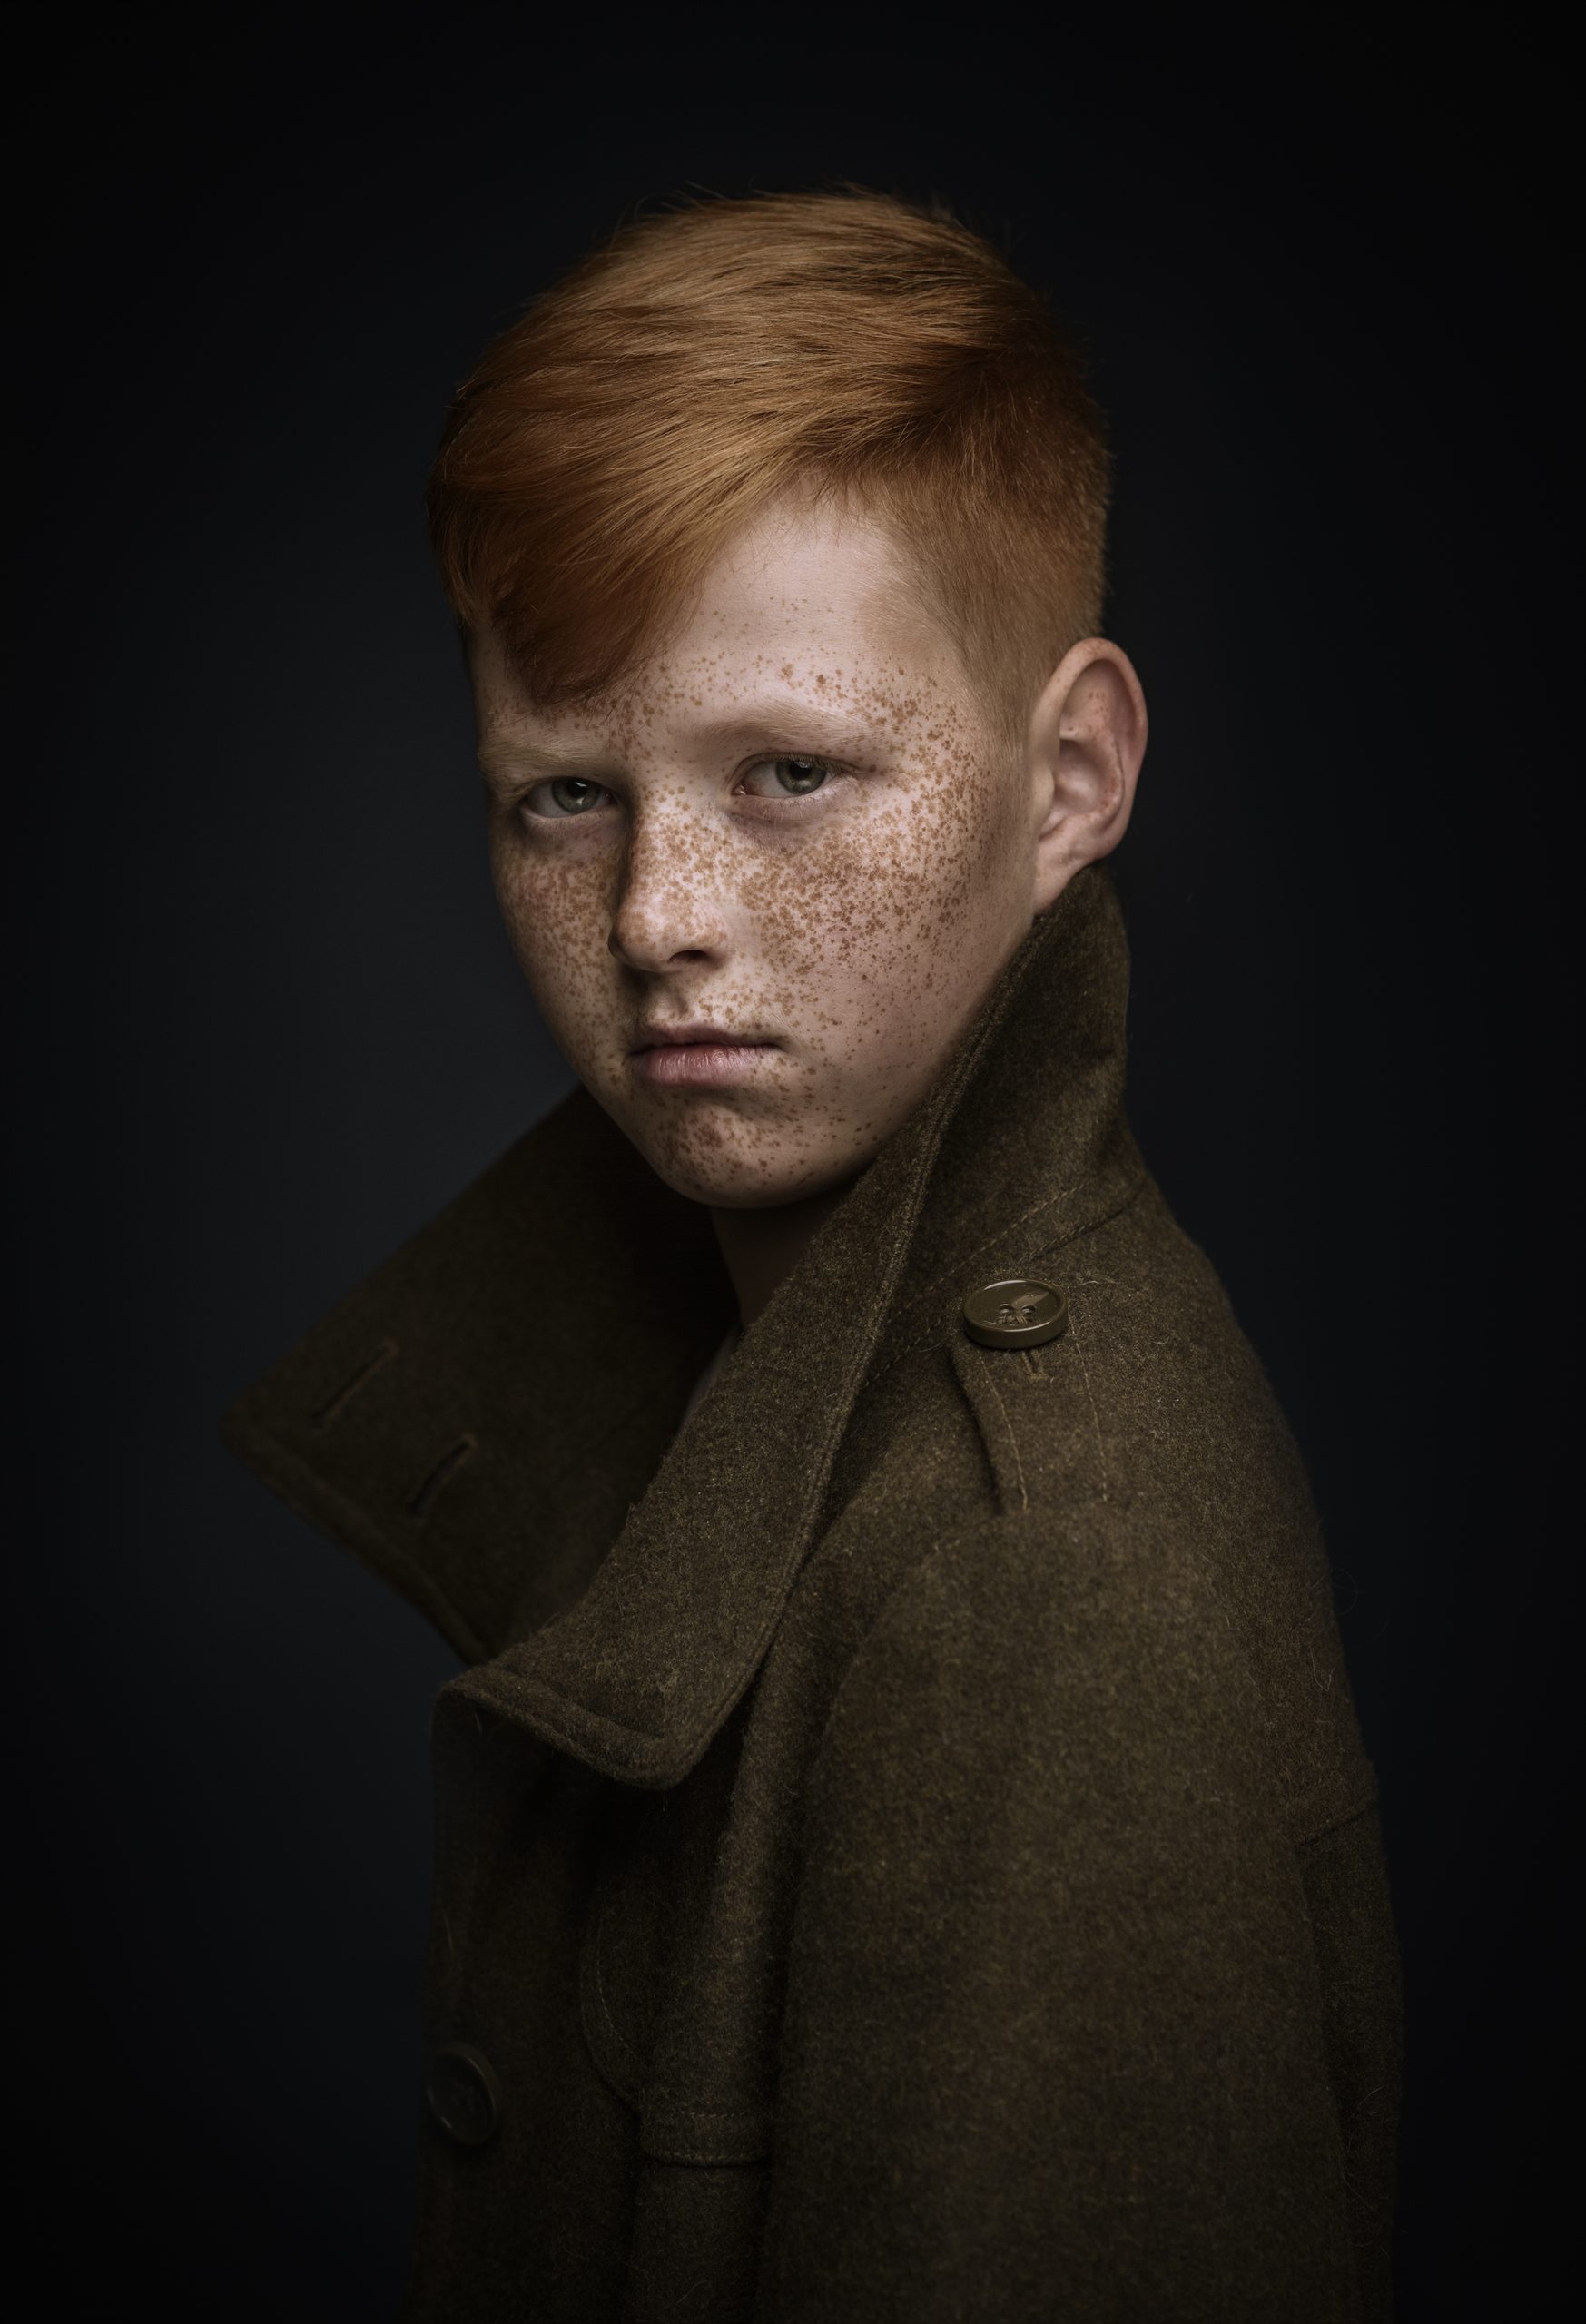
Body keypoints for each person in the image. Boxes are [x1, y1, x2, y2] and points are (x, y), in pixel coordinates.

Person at [222, 188, 1401, 2321]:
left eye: (787, 771)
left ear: (1069, 777)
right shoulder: (761, 1372)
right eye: (562, 797)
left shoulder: (1027, 1565)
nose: (658, 910)